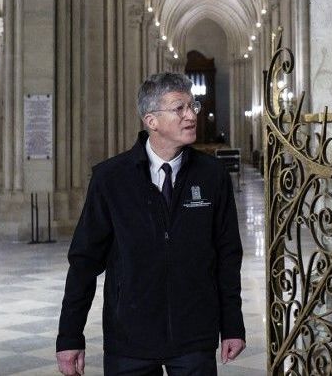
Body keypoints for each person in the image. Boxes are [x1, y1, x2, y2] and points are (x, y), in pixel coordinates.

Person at [56, 72, 246, 376]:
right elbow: (84, 262)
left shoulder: (213, 176)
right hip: (129, 340)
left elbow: (227, 256)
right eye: (179, 108)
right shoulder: (111, 179)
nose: (190, 115)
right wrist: (69, 335)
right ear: (151, 120)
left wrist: (232, 325)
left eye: (192, 106)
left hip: (194, 336)